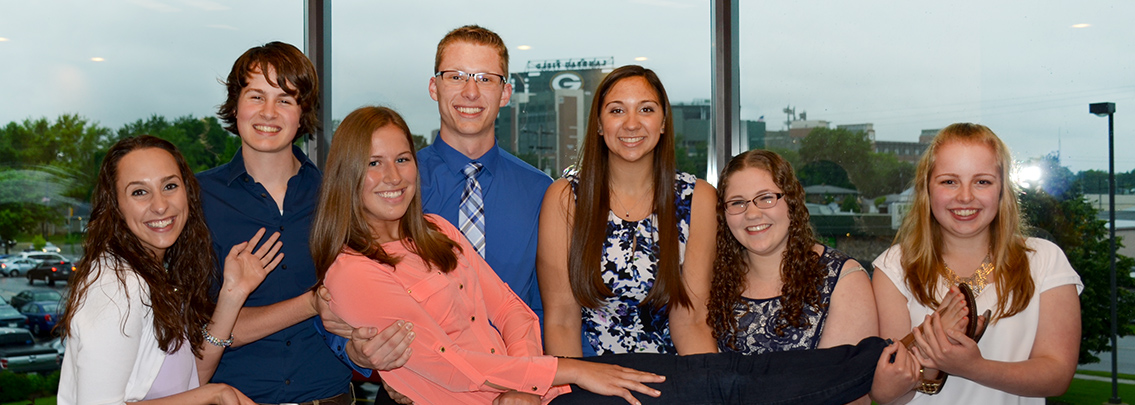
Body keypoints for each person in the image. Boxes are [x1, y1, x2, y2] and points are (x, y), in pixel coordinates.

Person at [313, 105, 894, 405]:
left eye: (401, 159)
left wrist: (533, 389)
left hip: (537, 390)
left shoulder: (437, 229)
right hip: (524, 386)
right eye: (372, 163)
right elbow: (450, 364)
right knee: (726, 386)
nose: (393, 176)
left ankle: (880, 362)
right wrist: (562, 374)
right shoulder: (351, 270)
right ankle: (883, 363)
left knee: (725, 381)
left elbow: (515, 310)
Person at [198, 41, 409, 404]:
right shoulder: (198, 199)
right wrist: (312, 303)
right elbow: (201, 332)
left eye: (285, 99)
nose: (269, 113)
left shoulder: (338, 196)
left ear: (302, 112)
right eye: (256, 96)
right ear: (235, 106)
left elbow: (379, 302)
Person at [707, 149, 977, 404]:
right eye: (737, 203)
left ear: (791, 200)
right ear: (724, 213)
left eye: (766, 197)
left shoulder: (841, 279)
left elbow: (849, 395)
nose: (752, 213)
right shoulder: (709, 278)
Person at [57, 135, 282, 404]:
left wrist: (232, 294)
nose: (160, 205)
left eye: (170, 186)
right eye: (139, 192)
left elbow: (189, 380)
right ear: (115, 205)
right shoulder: (117, 287)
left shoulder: (157, 272)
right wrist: (216, 392)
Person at [873, 123, 1082, 403]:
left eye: (982, 181)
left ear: (1002, 190)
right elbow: (888, 395)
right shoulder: (893, 267)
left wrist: (973, 367)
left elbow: (1057, 376)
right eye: (949, 181)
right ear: (927, 189)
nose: (965, 197)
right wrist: (935, 357)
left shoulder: (1045, 260)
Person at [538, 64, 717, 357]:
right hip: (593, 376)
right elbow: (561, 322)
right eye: (617, 111)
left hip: (672, 378)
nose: (632, 124)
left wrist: (712, 390)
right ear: (598, 124)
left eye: (646, 110)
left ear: (663, 122)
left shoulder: (697, 199)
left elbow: (692, 321)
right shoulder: (566, 198)